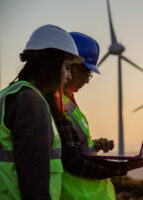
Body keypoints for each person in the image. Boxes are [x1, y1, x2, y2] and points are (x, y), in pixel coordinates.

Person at [57, 32, 143, 200]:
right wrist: (124, 167)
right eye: (85, 71)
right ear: (67, 63)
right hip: (76, 195)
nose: (87, 79)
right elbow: (73, 161)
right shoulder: (55, 104)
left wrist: (96, 145)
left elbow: (74, 147)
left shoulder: (69, 102)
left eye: (90, 74)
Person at [0, 24, 84, 200]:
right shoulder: (31, 102)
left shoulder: (10, 94)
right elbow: (34, 179)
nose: (69, 76)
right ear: (51, 64)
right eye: (67, 67)